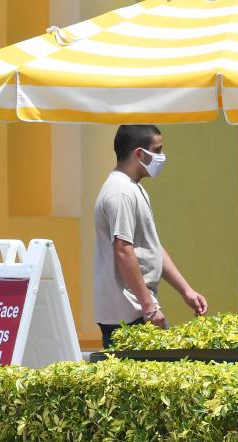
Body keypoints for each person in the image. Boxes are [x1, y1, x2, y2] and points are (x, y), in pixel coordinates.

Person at [93, 124, 208, 349]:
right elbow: (123, 250)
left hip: (139, 311)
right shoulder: (121, 192)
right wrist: (149, 307)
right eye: (157, 150)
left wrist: (186, 290)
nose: (161, 157)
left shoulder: (134, 189)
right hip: (128, 315)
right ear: (139, 153)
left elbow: (151, 246)